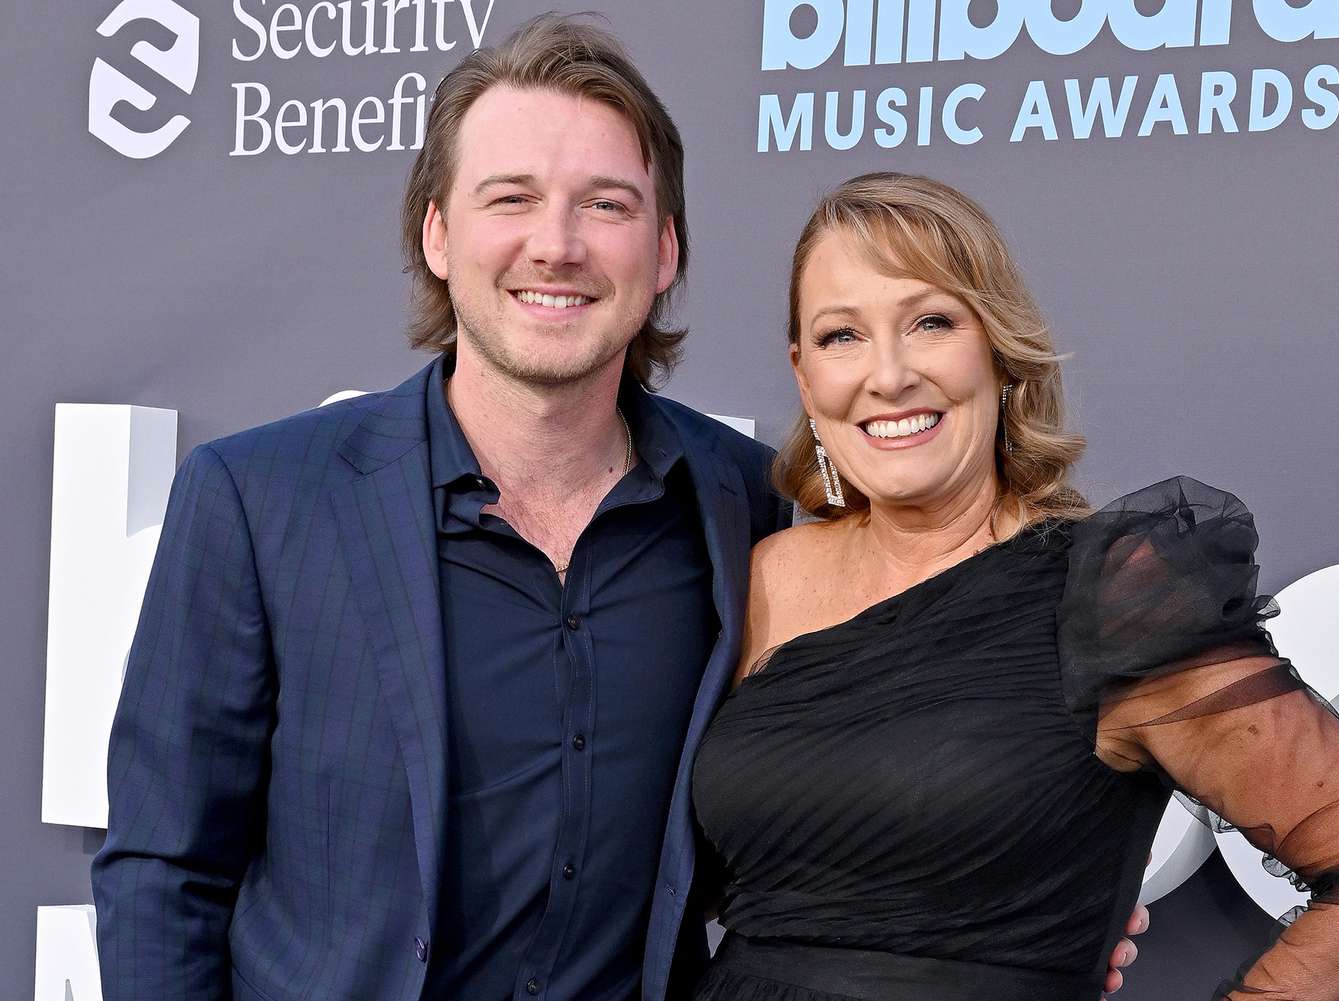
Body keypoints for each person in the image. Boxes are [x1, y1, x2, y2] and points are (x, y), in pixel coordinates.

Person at [88, 15, 1148, 1001]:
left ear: (665, 252)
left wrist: (1025, 900)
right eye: (509, 198)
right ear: (440, 237)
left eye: (607, 203)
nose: (558, 244)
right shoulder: (261, 499)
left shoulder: (749, 508)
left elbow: (837, 791)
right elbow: (163, 867)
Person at [688, 172, 1339, 1001]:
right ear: (804, 377)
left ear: (997, 348)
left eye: (930, 322)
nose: (888, 375)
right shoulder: (762, 571)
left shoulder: (1112, 596)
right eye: (842, 336)